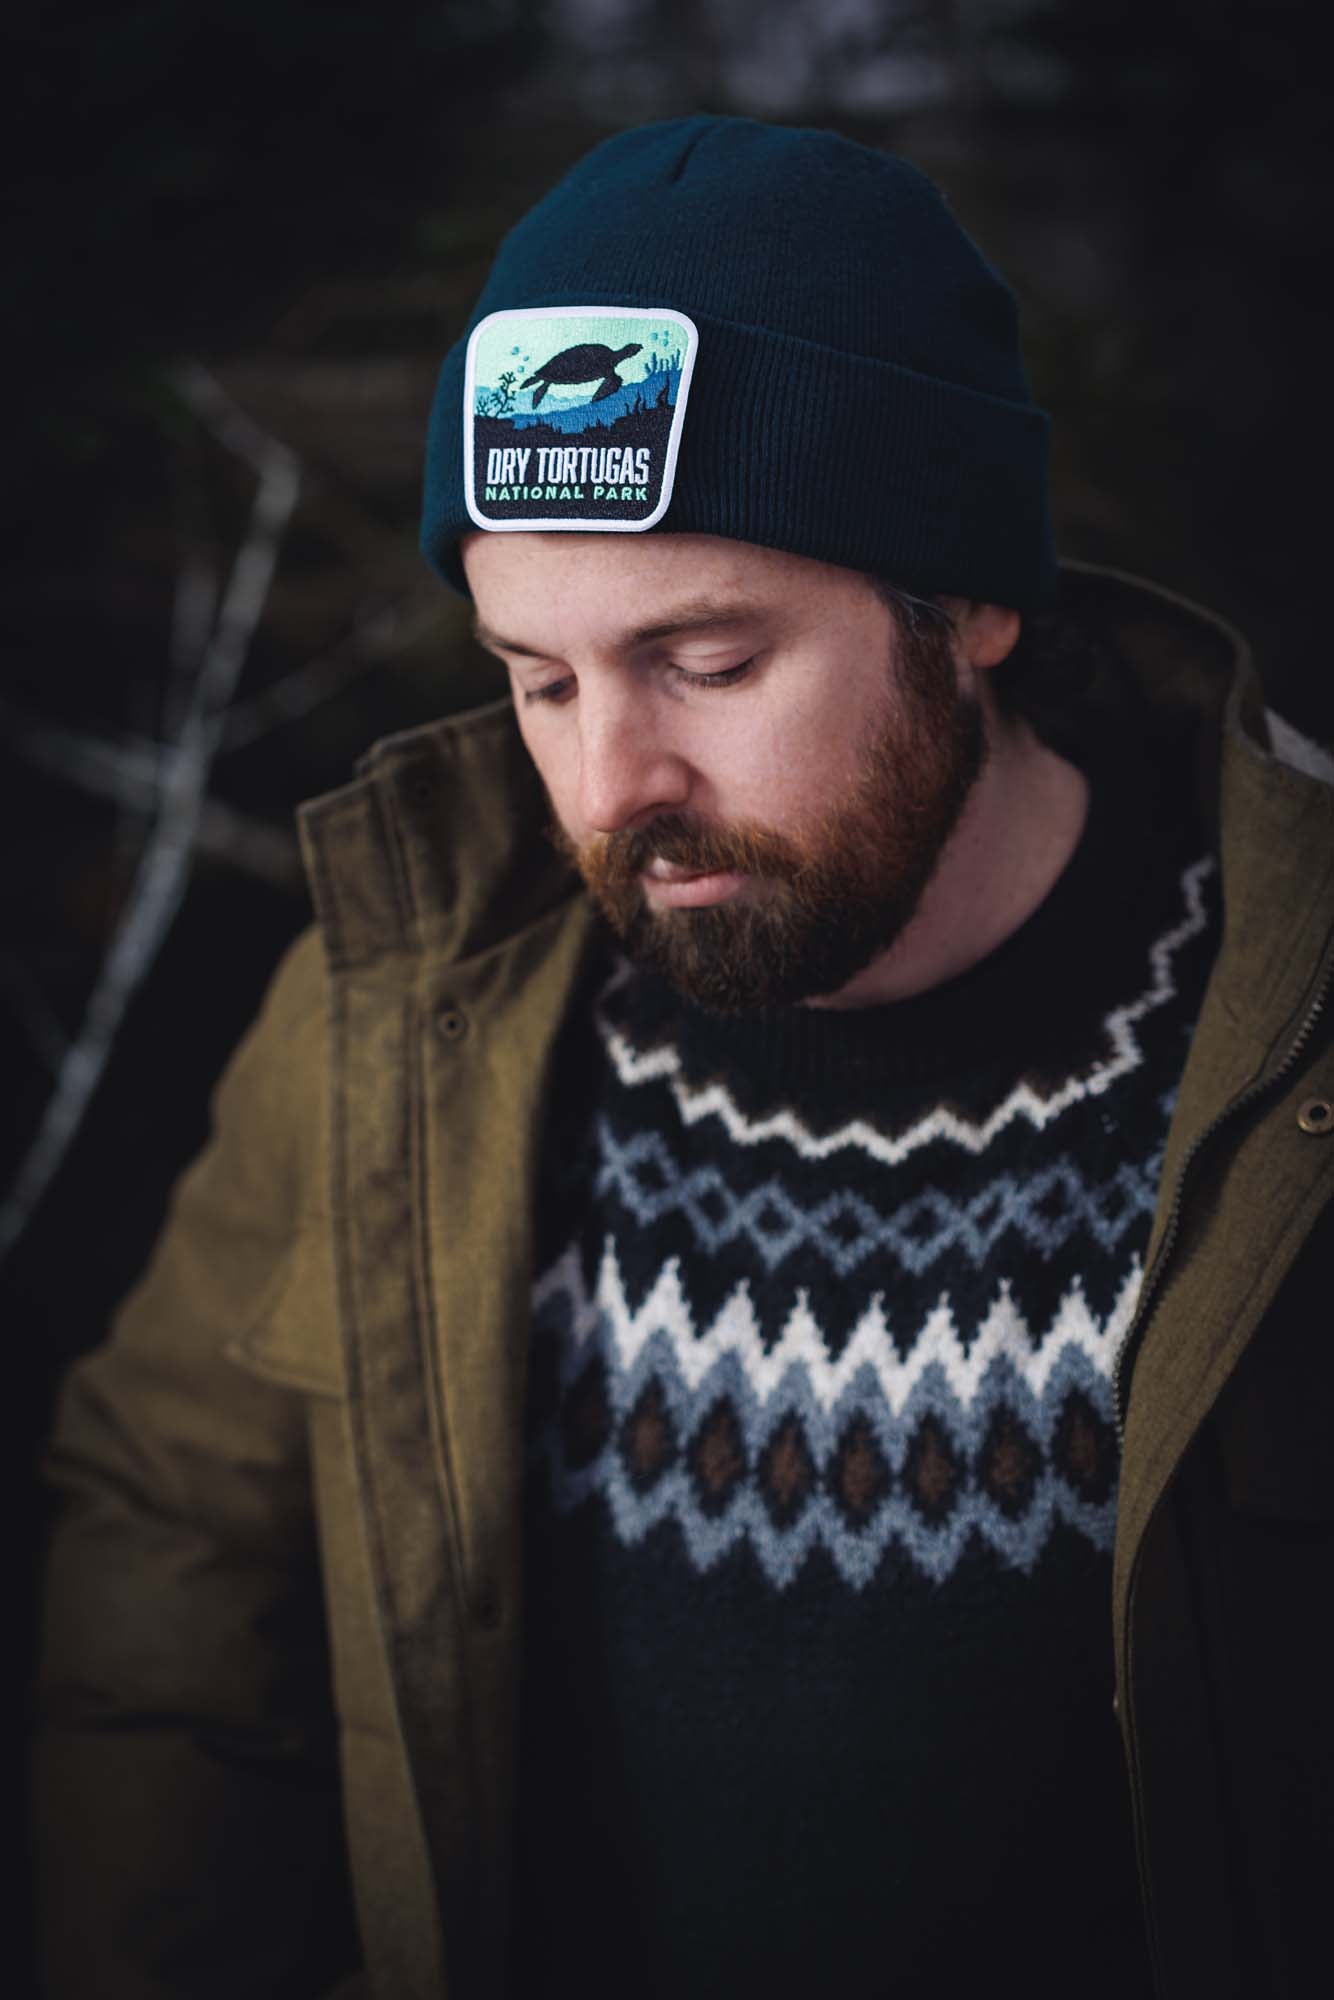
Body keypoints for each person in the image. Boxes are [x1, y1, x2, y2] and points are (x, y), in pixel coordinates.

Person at [33, 116, 1334, 2000]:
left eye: (708, 662)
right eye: (538, 679)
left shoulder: (1285, 1046)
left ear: (965, 600)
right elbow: (171, 1572)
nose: (609, 787)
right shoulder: (402, 1006)